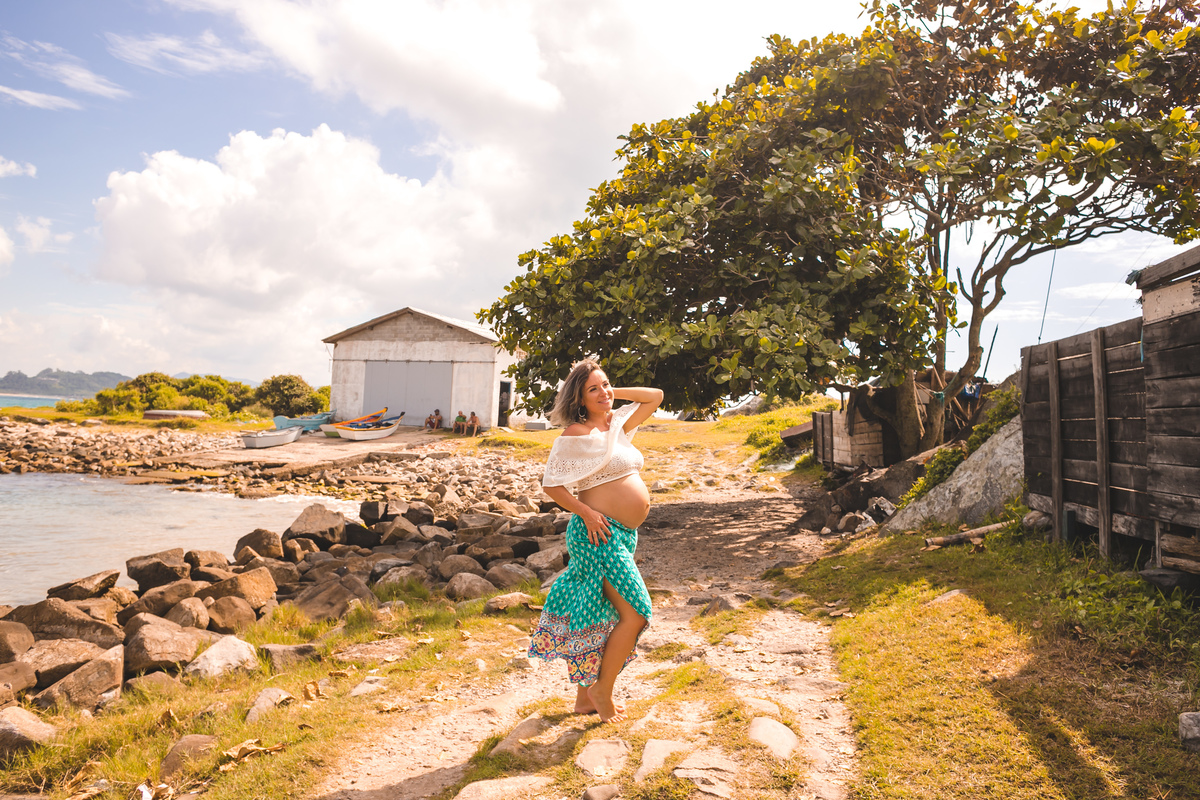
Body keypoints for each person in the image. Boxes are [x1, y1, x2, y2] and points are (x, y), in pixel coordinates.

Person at [528, 359, 663, 723]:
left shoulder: (617, 424)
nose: (603, 393)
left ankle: (584, 700)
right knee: (636, 613)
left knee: (606, 613)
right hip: (595, 534)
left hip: (622, 535)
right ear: (579, 397)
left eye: (605, 385)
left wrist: (611, 394)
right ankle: (602, 690)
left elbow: (655, 397)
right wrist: (585, 512)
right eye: (593, 389)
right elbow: (552, 485)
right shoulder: (576, 434)